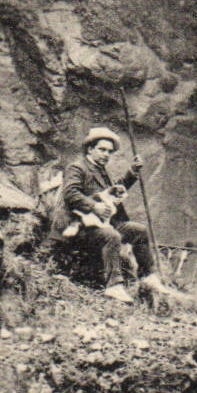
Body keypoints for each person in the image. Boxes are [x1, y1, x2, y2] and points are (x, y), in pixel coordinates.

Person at [57, 127, 155, 303]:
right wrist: (95, 207)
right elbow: (70, 194)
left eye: (109, 151)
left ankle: (147, 277)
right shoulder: (77, 167)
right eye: (102, 149)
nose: (106, 154)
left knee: (139, 230)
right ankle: (114, 286)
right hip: (80, 227)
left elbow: (111, 191)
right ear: (90, 149)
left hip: (102, 223)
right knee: (112, 236)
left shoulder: (101, 171)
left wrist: (132, 173)